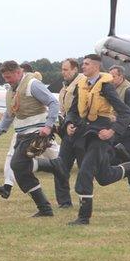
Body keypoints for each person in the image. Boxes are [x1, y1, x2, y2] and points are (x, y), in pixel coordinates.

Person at [61, 54, 130, 225]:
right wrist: (69, 123)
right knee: (104, 177)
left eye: (86, 64)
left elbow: (126, 112)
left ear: (95, 67)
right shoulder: (81, 85)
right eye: (82, 64)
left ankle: (83, 217)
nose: (83, 66)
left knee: (85, 172)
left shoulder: (106, 87)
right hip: (84, 135)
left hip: (100, 137)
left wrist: (112, 131)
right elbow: (72, 110)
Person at [0, 61, 66, 217]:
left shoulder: (32, 84)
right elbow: (9, 115)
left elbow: (53, 102)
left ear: (18, 72)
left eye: (9, 77)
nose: (7, 80)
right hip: (22, 134)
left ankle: (45, 205)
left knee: (17, 164)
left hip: (36, 132)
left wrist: (48, 126)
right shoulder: (11, 90)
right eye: (4, 77)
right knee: (20, 168)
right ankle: (45, 205)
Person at [51, 58, 87, 208]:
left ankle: (85, 199)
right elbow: (66, 111)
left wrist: (75, 125)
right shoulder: (65, 86)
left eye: (66, 70)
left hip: (83, 133)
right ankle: (64, 202)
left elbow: (84, 110)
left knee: (86, 169)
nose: (63, 72)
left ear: (75, 70)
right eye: (62, 69)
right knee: (60, 167)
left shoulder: (84, 84)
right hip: (67, 132)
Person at [109, 65, 130, 195]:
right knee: (112, 160)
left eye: (113, 76)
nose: (111, 79)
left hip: (129, 131)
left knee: (128, 160)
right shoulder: (111, 90)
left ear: (121, 77)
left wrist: (116, 118)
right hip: (117, 130)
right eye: (109, 75)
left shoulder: (127, 91)